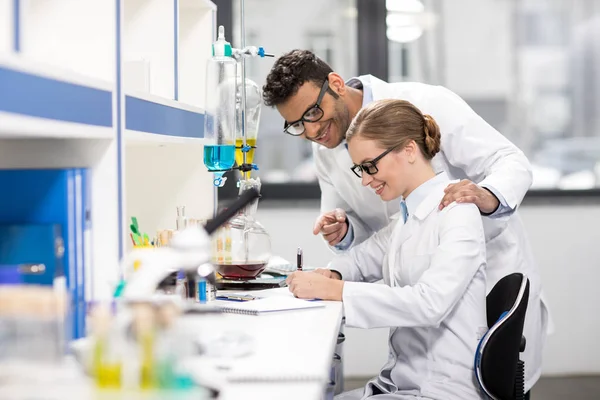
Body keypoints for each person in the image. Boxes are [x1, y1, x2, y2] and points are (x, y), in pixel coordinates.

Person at [263, 49, 549, 393]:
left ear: (336, 84)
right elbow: (376, 239)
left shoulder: (427, 105)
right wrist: (341, 241)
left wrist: (485, 198)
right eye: (297, 125)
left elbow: (510, 161)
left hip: (479, 291)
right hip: (413, 351)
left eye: (313, 113)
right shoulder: (399, 209)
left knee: (497, 378)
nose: (311, 131)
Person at [286, 99, 488, 399]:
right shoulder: (406, 216)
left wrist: (335, 290)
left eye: (370, 166)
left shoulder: (458, 213)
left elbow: (429, 304)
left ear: (408, 150)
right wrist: (330, 273)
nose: (366, 180)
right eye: (360, 170)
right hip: (402, 380)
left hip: (440, 388)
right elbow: (362, 259)